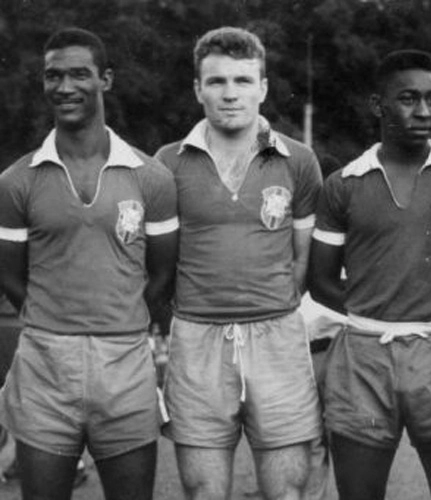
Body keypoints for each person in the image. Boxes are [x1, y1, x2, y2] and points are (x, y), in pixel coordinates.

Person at [309, 49, 431, 500]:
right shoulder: (344, 184)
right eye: (408, 98)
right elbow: (319, 281)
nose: (424, 111)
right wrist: (376, 311)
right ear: (379, 105)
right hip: (363, 353)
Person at [0, 27, 179, 500]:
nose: (64, 87)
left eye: (79, 74)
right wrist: (60, 322)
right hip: (45, 364)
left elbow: (161, 274)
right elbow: (11, 276)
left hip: (125, 363)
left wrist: (113, 316)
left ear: (106, 80)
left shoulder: (152, 177)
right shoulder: (16, 182)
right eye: (52, 76)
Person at [155, 27, 323, 500]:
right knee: (204, 493)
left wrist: (267, 306)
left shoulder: (300, 160)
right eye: (217, 81)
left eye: (243, 81)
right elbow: (159, 264)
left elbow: (301, 262)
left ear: (264, 87)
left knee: (287, 492)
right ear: (197, 89)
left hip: (278, 338)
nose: (230, 94)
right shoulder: (166, 164)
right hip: (196, 339)